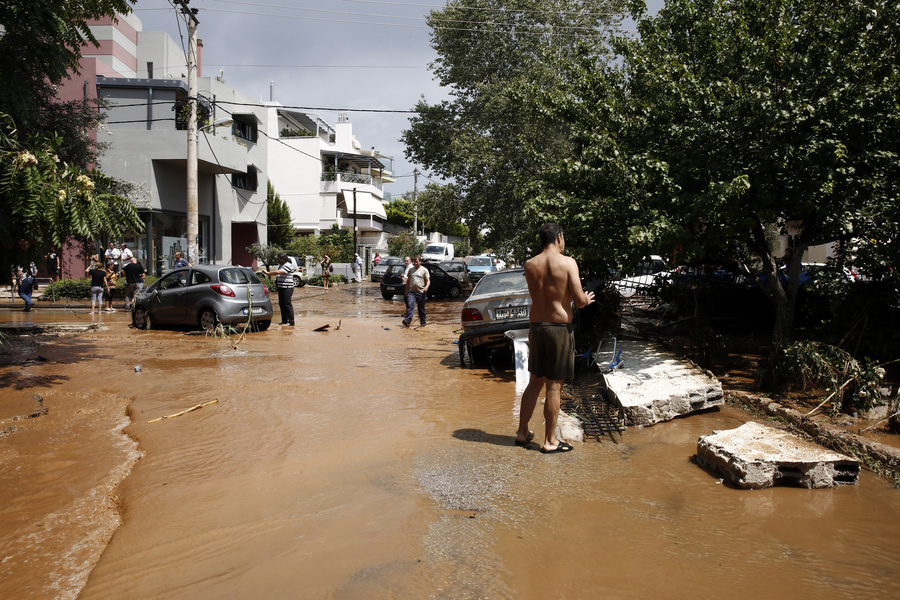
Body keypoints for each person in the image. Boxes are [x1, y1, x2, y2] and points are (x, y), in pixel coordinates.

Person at [515, 222, 595, 454]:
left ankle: (522, 432)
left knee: (535, 381)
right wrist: (587, 300)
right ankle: (550, 441)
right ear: (559, 237)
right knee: (554, 386)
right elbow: (579, 301)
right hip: (559, 328)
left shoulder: (530, 264)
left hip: (536, 327)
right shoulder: (568, 262)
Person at [265, 253, 296, 326]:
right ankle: (284, 320)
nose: (277, 260)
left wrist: (268, 273)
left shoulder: (288, 265)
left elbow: (279, 272)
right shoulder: (281, 266)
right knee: (282, 304)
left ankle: (291, 321)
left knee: (287, 304)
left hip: (287, 288)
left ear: (282, 259)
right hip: (281, 288)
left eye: (278, 259)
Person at [403, 256, 430, 327]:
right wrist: (406, 290)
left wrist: (426, 287)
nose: (415, 263)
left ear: (420, 261)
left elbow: (428, 280)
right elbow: (408, 280)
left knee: (421, 308)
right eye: (414, 262)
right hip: (411, 292)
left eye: (416, 262)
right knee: (410, 306)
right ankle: (407, 320)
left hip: (421, 292)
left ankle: (423, 322)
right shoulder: (411, 270)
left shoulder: (424, 270)